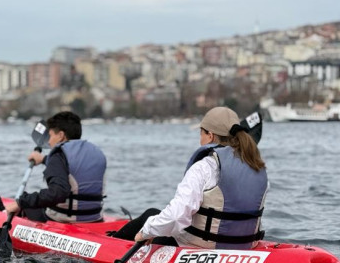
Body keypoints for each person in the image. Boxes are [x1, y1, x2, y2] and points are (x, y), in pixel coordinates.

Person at [112, 106, 267, 249]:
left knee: (150, 216)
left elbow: (177, 216)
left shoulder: (204, 167)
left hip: (201, 246)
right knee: (155, 218)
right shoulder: (257, 166)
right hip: (245, 246)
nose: (200, 139)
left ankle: (112, 245)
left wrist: (145, 233)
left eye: (201, 133)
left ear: (210, 136)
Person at [0, 111, 107, 223]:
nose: (48, 140)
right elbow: (74, 169)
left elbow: (58, 193)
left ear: (61, 136)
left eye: (51, 135)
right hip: (95, 218)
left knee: (28, 206)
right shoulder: (96, 152)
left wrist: (21, 202)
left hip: (66, 220)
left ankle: (4, 213)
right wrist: (43, 159)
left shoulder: (58, 155)